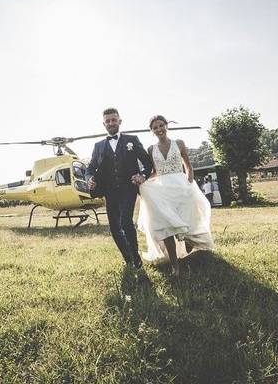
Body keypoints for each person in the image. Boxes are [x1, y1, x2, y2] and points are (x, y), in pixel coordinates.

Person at [137, 115, 215, 276]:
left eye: (161, 125)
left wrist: (190, 184)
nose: (159, 129)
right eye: (155, 127)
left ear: (167, 126)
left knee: (186, 224)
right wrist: (143, 180)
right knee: (166, 227)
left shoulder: (179, 143)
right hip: (162, 190)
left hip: (182, 187)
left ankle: (188, 246)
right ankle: (175, 266)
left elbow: (188, 166)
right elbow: (155, 172)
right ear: (152, 131)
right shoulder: (151, 149)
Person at [86, 108, 154, 268]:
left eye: (113, 120)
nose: (111, 123)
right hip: (109, 191)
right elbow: (90, 168)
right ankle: (128, 258)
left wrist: (142, 175)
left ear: (119, 121)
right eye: (108, 121)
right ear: (104, 124)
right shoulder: (98, 146)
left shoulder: (132, 140)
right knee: (114, 227)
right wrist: (90, 179)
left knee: (125, 221)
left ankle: (136, 258)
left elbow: (147, 162)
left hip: (128, 189)